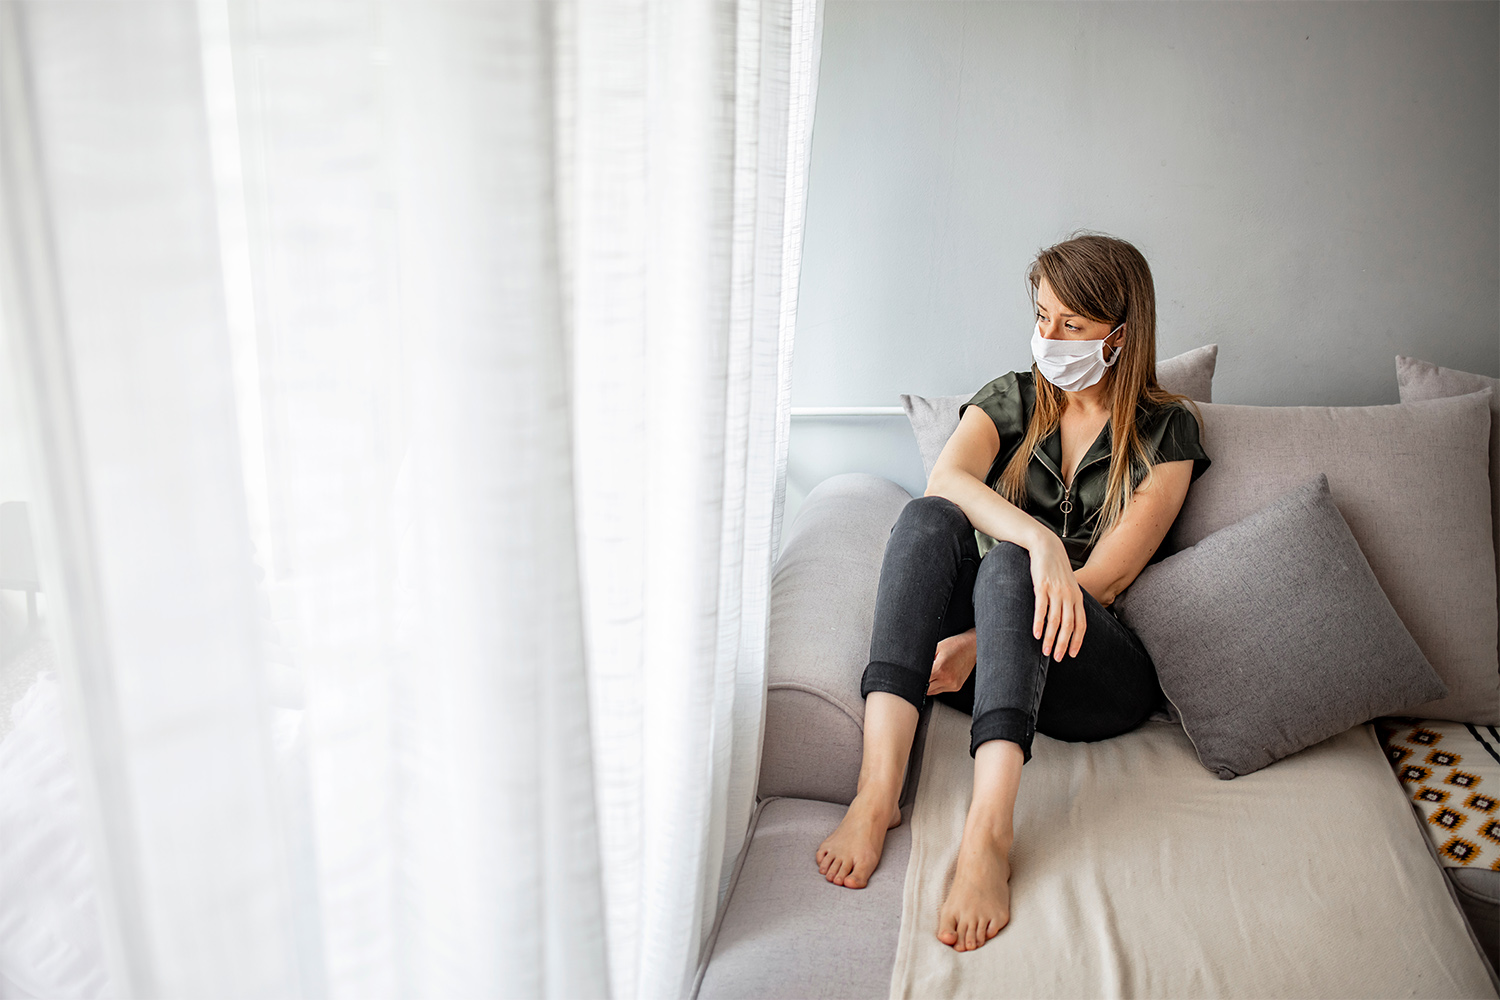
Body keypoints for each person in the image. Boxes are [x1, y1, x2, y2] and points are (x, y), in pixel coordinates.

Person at [814, 232, 1211, 953]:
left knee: (1007, 574)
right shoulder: (1014, 396)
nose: (1049, 338)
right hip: (985, 661)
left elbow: (1112, 577)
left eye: (1073, 326)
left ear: (1120, 337)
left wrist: (983, 632)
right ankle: (877, 796)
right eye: (1042, 316)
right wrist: (1042, 541)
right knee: (929, 519)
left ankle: (988, 836)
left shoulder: (1168, 427)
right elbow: (947, 483)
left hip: (1089, 666)